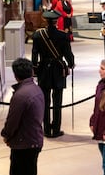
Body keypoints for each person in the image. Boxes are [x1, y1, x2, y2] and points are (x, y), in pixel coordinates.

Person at [1, 58, 44, 175]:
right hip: (33, 139)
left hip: (24, 143)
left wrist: (6, 135)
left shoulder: (20, 95)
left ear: (15, 75)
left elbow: (12, 121)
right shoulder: (36, 88)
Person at [32, 9, 75, 138]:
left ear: (45, 20)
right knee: (57, 101)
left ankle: (46, 129)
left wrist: (35, 68)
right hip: (58, 69)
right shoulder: (63, 35)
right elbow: (68, 53)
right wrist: (71, 63)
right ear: (56, 21)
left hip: (44, 69)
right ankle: (56, 128)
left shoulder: (38, 35)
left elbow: (35, 53)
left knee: (44, 101)